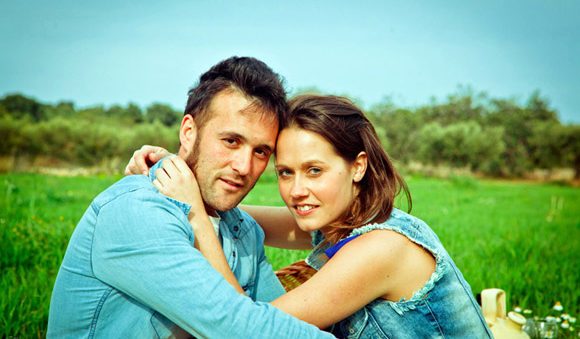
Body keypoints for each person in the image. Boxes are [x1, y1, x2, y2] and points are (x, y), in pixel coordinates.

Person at [130, 95, 493, 338]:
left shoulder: (381, 248)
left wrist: (194, 215)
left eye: (314, 170)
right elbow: (228, 211)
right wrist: (178, 170)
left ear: (358, 167)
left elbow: (253, 330)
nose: (296, 190)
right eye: (286, 172)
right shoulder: (341, 223)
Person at [47, 57, 333, 338]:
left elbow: (273, 318)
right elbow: (236, 327)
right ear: (188, 132)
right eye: (231, 141)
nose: (244, 167)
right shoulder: (137, 212)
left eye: (260, 151)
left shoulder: (243, 231)